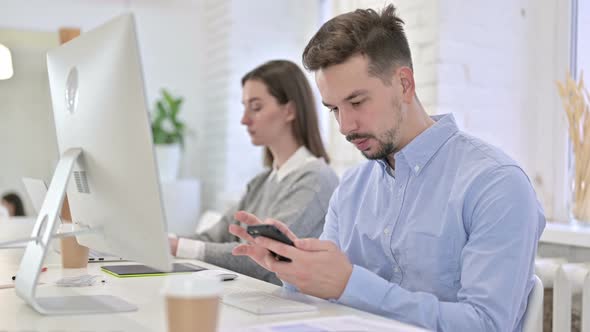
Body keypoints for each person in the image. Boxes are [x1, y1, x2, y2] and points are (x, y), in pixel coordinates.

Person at [228, 5, 546, 331]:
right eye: (334, 109)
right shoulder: (351, 189)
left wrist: (349, 285)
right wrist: (296, 272)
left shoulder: (496, 185)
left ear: (404, 84)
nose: (345, 126)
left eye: (357, 102)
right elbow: (324, 305)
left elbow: (486, 325)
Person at [169, 60, 339, 285]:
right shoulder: (261, 182)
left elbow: (261, 258)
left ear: (289, 110)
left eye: (256, 107)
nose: (244, 119)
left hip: (287, 308)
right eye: (244, 107)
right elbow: (214, 236)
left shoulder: (316, 179)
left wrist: (178, 247)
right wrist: (165, 241)